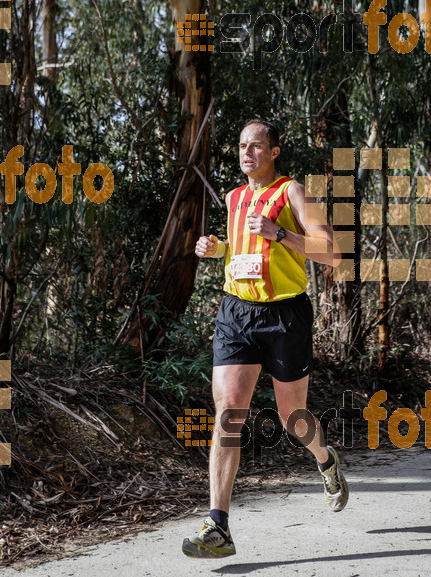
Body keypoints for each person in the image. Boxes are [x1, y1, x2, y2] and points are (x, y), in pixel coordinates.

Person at [182, 118, 348, 559]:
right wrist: (216, 249)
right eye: (241, 146)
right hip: (237, 312)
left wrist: (280, 232)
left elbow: (331, 251)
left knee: (293, 417)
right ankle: (218, 526)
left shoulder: (292, 192)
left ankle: (325, 460)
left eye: (256, 146)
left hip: (285, 315)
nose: (247, 153)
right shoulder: (236, 198)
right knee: (229, 411)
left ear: (275, 152)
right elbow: (243, 251)